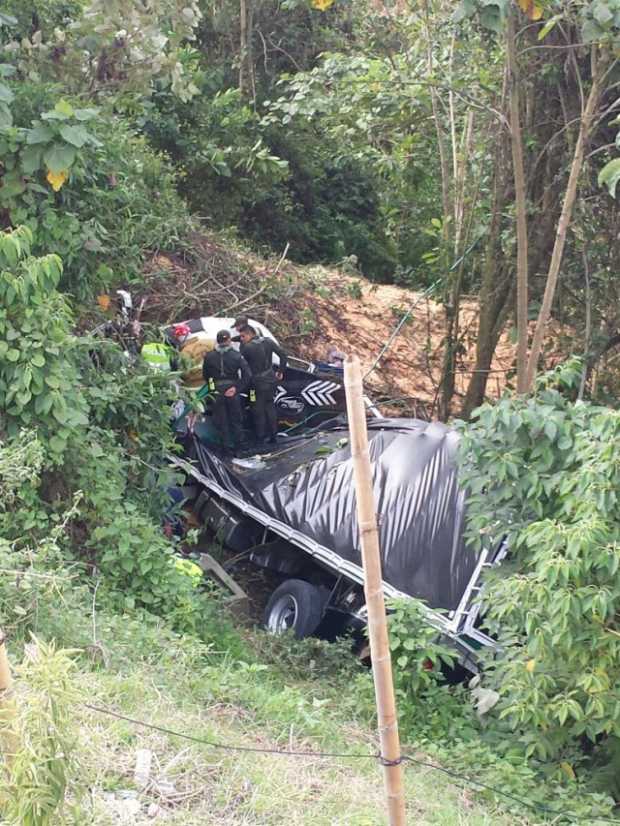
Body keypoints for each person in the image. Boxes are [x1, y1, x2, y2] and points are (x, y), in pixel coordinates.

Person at [238, 324, 288, 445]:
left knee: (256, 409)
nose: (241, 339)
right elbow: (283, 355)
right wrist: (280, 371)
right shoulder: (268, 341)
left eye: (242, 336)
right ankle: (273, 436)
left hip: (255, 385)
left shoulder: (247, 348)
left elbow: (242, 367)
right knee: (270, 406)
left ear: (250, 334)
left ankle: (260, 438)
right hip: (271, 380)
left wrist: (241, 385)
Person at [202, 330, 251, 450]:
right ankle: (240, 447)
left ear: (217, 341)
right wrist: (236, 388)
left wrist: (213, 390)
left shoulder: (209, 356)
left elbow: (206, 376)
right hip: (232, 390)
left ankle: (226, 447)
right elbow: (247, 375)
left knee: (221, 421)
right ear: (228, 340)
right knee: (236, 419)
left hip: (217, 392)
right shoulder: (236, 355)